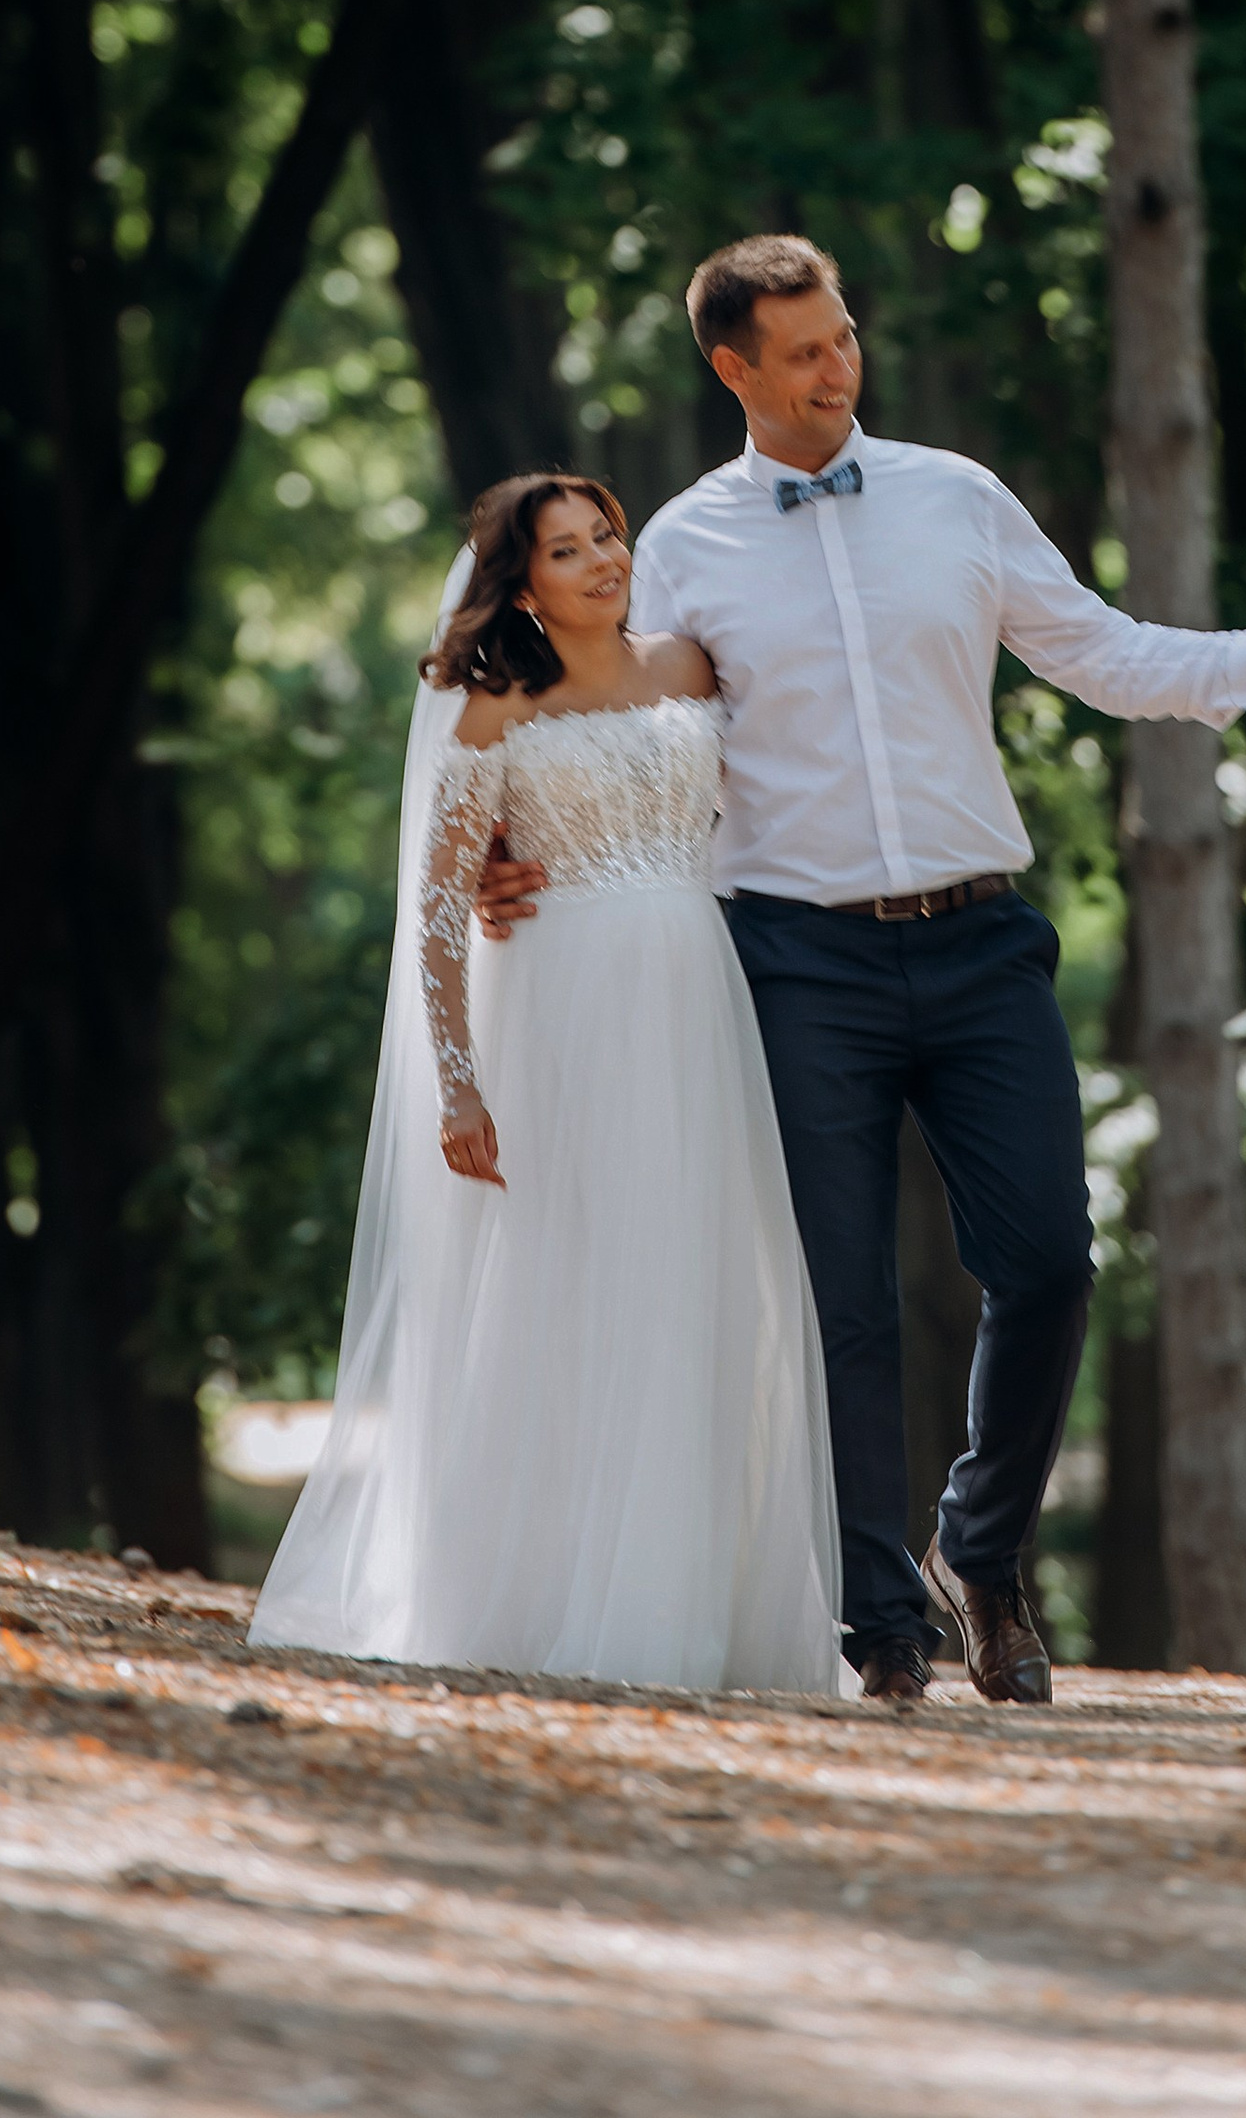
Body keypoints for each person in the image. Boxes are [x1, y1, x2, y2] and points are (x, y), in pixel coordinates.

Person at [479, 235, 1246, 1709]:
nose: (837, 365)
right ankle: (880, 1620)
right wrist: (505, 848)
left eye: (843, 335)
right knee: (838, 1298)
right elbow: (606, 714)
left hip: (983, 942)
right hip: (793, 958)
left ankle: (976, 1552)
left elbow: (1100, 653)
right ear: (734, 370)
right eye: (801, 350)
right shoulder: (679, 543)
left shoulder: (957, 497)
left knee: (1047, 1258)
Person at [248, 471, 840, 1696]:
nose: (599, 559)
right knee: (580, 1280)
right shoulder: (492, 708)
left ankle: (701, 1600)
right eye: (566, 550)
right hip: (569, 1008)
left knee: (698, 1279)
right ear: (522, 583)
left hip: (696, 992)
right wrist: (458, 1087)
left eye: (606, 535)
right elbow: (437, 907)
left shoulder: (690, 668)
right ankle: (566, 1589)